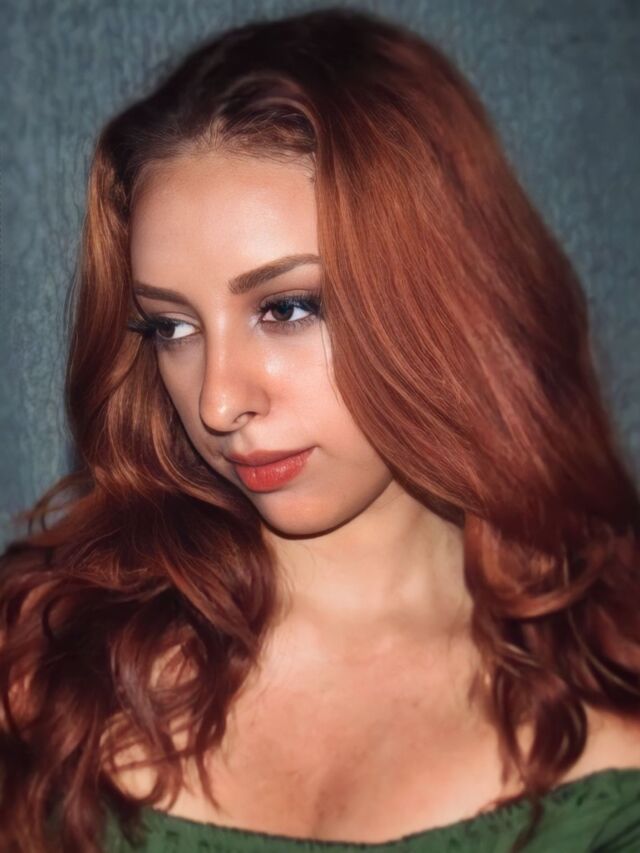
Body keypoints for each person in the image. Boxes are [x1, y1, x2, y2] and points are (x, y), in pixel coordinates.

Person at [1, 6, 639, 852]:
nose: (218, 402)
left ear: (449, 295)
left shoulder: (614, 702)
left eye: (287, 308)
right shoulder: (43, 656)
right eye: (171, 327)